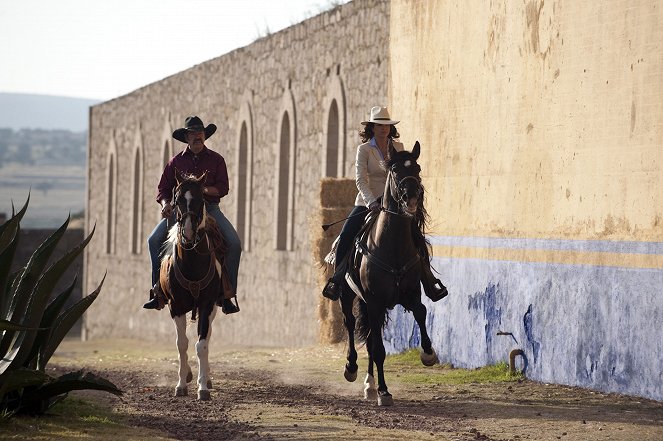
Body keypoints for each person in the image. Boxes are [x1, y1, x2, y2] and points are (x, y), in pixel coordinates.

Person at [322, 106, 447, 302]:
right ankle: (336, 282)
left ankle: (430, 282)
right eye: (379, 125)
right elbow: (360, 180)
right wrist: (371, 201)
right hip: (368, 203)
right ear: (372, 127)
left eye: (386, 125)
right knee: (346, 237)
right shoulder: (363, 150)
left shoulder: (399, 147)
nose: (383, 129)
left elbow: (406, 176)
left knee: (417, 238)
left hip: (396, 204)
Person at [144, 115, 241, 314]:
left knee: (234, 244)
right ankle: (157, 292)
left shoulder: (217, 159)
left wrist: (202, 190)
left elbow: (223, 188)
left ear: (205, 135)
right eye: (193, 133)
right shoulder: (175, 162)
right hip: (180, 212)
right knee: (153, 241)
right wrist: (166, 204)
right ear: (186, 137)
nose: (197, 136)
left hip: (210, 210)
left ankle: (227, 294)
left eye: (200, 133)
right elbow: (163, 189)